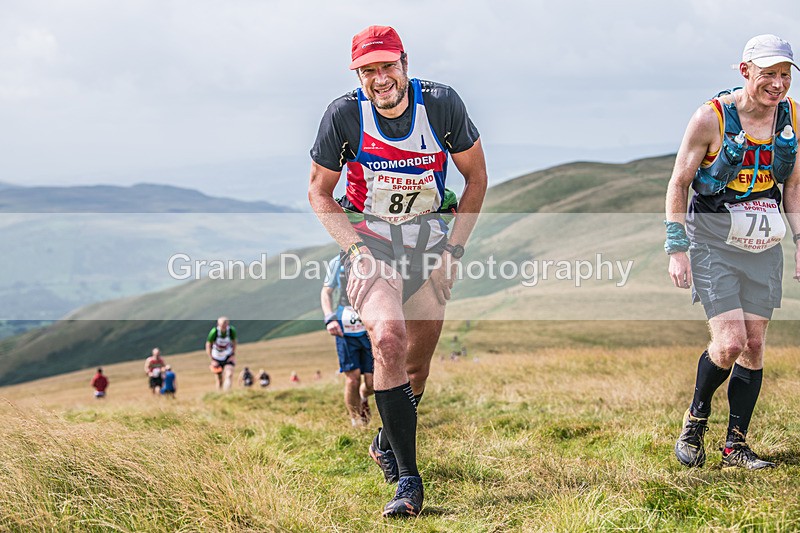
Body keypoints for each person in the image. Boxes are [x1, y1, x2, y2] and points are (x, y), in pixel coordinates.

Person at [308, 25, 487, 517]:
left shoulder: (442, 105)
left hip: (430, 245)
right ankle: (408, 482)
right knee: (388, 340)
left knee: (417, 367)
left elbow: (476, 178)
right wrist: (352, 249)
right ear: (358, 75)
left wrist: (454, 249)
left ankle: (387, 440)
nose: (380, 78)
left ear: (404, 62)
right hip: (372, 244)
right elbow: (319, 193)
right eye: (368, 70)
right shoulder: (344, 115)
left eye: (387, 66)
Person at [666, 34, 799, 470]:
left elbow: (793, 187)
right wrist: (677, 248)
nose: (778, 85)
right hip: (712, 243)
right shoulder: (711, 118)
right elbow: (679, 183)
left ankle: (735, 445)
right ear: (745, 72)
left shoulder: (794, 119)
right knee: (729, 343)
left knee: (755, 345)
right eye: (769, 75)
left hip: (763, 246)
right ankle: (695, 418)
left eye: (785, 75)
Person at [321, 252, 375, 427]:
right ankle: (356, 422)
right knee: (352, 378)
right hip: (345, 327)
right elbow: (326, 292)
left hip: (369, 326)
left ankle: (363, 395)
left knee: (372, 382)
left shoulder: (374, 256)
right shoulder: (337, 261)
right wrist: (329, 318)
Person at [206, 316, 237, 391]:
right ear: (218, 324)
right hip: (216, 357)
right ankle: (219, 394)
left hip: (227, 355)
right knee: (219, 380)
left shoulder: (231, 331)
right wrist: (212, 359)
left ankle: (227, 392)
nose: (224, 326)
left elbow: (234, 342)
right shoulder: (214, 332)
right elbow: (208, 345)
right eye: (222, 324)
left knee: (229, 374)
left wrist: (232, 354)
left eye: (225, 324)